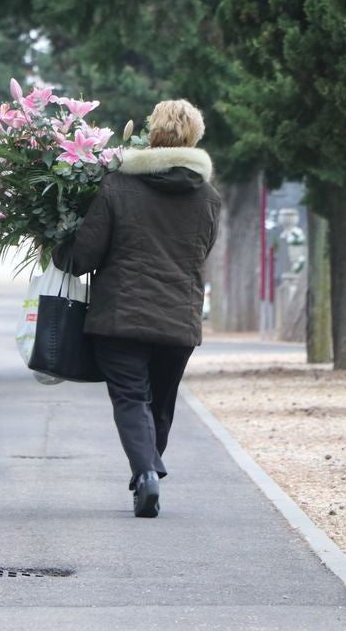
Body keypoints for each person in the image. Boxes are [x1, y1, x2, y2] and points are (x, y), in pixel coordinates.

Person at [54, 99, 221, 518]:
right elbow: (201, 252)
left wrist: (59, 247)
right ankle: (147, 472)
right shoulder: (209, 198)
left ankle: (146, 473)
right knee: (160, 403)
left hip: (120, 318)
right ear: (194, 138)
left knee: (131, 399)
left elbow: (85, 256)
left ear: (152, 133)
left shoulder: (117, 186)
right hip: (177, 319)